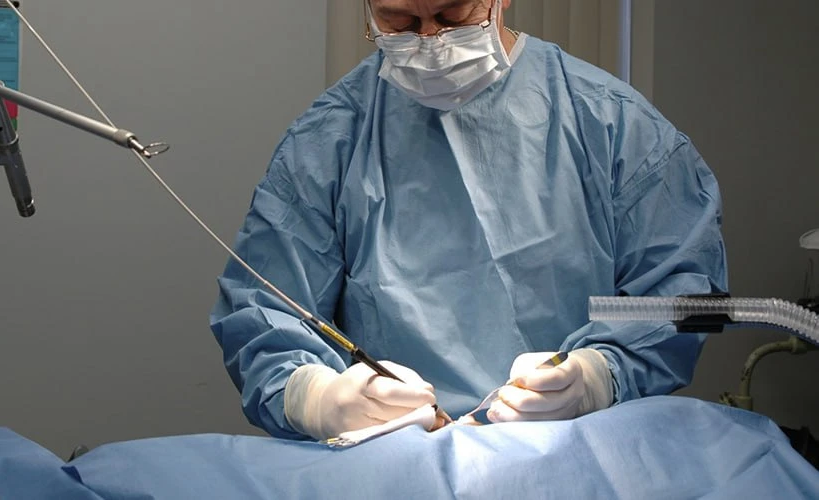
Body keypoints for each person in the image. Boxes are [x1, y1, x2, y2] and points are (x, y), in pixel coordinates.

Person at [210, 0, 727, 441]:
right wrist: (316, 397)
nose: (430, 40)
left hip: (576, 456)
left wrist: (597, 376)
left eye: (453, 14)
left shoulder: (613, 125)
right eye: (399, 21)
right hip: (391, 464)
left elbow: (683, 295)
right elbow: (265, 309)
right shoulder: (329, 141)